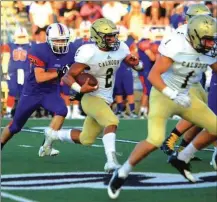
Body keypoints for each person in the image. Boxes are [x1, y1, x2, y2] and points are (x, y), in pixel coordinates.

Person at [107, 15, 217, 199]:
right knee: (155, 140)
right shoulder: (177, 44)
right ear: (195, 36)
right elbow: (153, 76)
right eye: (207, 40)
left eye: (212, 40)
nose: (210, 44)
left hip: (187, 95)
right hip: (164, 93)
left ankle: (182, 158)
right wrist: (172, 94)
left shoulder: (210, 50)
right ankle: (123, 172)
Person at [40, 18, 143, 172]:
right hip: (91, 97)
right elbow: (68, 76)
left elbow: (136, 66)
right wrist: (80, 90)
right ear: (98, 36)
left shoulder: (121, 47)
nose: (113, 39)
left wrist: (138, 64)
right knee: (111, 121)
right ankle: (111, 161)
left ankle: (53, 135)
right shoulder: (89, 52)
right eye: (108, 36)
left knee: (86, 139)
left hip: (106, 99)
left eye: (114, 35)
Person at [0, 23, 75, 157]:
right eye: (57, 40)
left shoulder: (71, 50)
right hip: (33, 92)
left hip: (51, 91)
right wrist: (60, 73)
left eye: (63, 40)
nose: (60, 44)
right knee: (15, 126)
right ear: (48, 39)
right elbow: (40, 77)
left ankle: (46, 146)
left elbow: (77, 70)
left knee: (62, 110)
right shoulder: (38, 49)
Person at [160, 3, 212, 156]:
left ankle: (183, 146)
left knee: (205, 113)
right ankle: (172, 139)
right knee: (201, 111)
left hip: (197, 76)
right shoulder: (179, 35)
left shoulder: (208, 33)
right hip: (182, 78)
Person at [1, 26, 31, 118]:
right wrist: (5, 71)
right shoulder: (9, 46)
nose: (22, 39)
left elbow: (32, 60)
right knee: (12, 92)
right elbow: (5, 59)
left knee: (25, 93)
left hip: (26, 72)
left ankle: (24, 111)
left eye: (23, 37)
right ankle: (9, 111)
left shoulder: (30, 46)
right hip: (13, 72)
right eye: (20, 37)